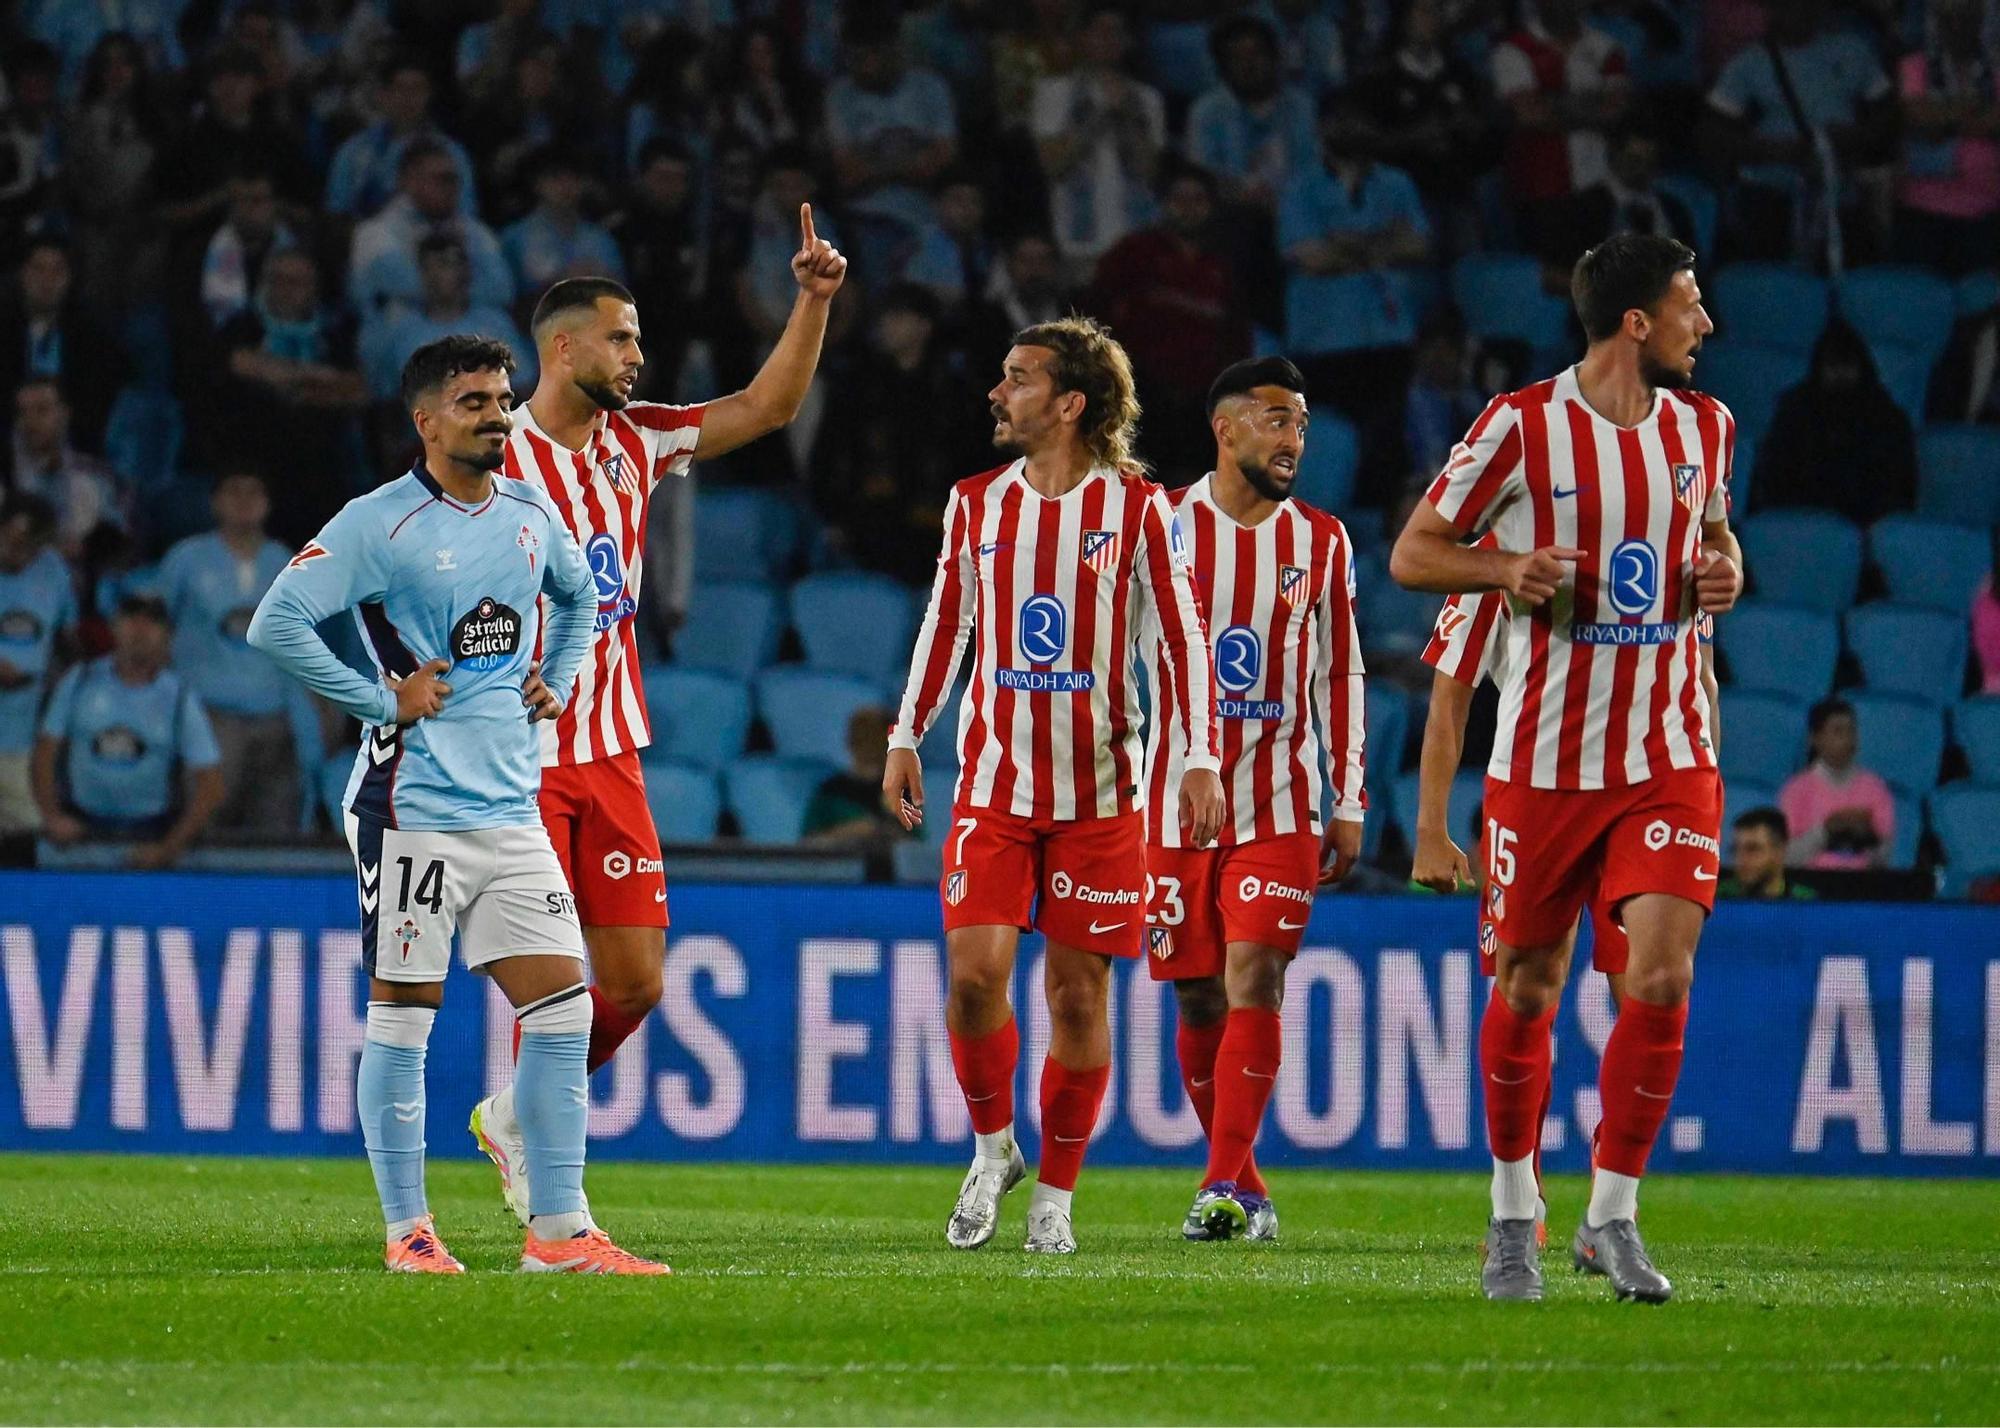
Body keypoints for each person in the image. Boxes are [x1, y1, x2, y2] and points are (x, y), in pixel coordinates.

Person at [470, 210, 848, 1236]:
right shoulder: (489, 460)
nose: (638, 357)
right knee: (554, 992)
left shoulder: (640, 441)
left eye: (637, 341)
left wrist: (811, 300)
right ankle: (561, 1211)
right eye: (622, 339)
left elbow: (767, 406)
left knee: (632, 987)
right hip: (518, 764)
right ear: (563, 348)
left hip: (612, 755)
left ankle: (509, 1116)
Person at [247, 335, 658, 1275]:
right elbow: (275, 620)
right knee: (406, 1015)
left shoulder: (528, 509)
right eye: (474, 401)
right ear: (425, 420)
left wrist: (556, 677)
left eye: (503, 398)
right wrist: (378, 698)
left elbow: (583, 597)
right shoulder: (376, 523)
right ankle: (409, 1233)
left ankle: (557, 1234)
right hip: (412, 809)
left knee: (560, 1012)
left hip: (510, 809)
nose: (498, 414)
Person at [1389, 233, 1744, 1303]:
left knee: (1662, 972)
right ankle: (1511, 1214)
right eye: (1690, 304)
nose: (1706, 323)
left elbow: (1717, 542)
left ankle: (1610, 1215)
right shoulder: (1520, 427)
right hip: (1544, 762)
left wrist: (1721, 571)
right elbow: (1412, 553)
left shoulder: (1705, 427)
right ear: (1636, 321)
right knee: (1528, 986)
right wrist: (1504, 566)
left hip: (1669, 751)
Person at [882, 316, 1225, 1255]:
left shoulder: (1141, 511)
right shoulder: (975, 504)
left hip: (1102, 804)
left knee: (1078, 1001)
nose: (998, 393)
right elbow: (945, 624)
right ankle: (995, 1148)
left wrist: (1199, 757)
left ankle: (1056, 1202)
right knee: (973, 979)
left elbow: (1186, 639)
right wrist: (909, 732)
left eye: (1018, 378)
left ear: (1071, 402)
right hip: (994, 790)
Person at [1141, 357, 1365, 1244]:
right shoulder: (1160, 526)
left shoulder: (1321, 541)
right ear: (1224, 428)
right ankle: (1248, 1184)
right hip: (1169, 806)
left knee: (1255, 978)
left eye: (1302, 425)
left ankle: (1217, 1185)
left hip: (1281, 801)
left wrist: (1347, 796)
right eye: (1276, 420)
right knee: (1198, 998)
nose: (1293, 440)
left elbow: (1341, 671)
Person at [156, 471, 319, 838]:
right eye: (233, 491)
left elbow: (304, 644)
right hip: (209, 715)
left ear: (268, 503)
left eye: (254, 491)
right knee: (205, 825)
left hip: (275, 716)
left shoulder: (288, 562)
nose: (244, 500)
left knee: (277, 829)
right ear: (215, 502)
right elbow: (158, 629)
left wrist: (314, 711)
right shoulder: (186, 558)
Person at [1089, 165, 1253, 482]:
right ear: (1162, 203)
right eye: (1179, 199)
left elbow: (1237, 334)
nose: (1188, 207)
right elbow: (1097, 315)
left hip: (1206, 400)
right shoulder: (1132, 253)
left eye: (1198, 199)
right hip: (1143, 397)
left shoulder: (1225, 261)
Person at [33, 593, 224, 865]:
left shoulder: (179, 698)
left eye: (152, 622)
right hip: (79, 836)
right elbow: (44, 754)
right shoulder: (80, 681)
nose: (140, 630)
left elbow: (211, 785)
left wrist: (167, 849)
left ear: (167, 635)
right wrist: (52, 816)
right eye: (131, 619)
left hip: (147, 835)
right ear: (114, 626)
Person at [1030, 7, 1166, 276]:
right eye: (1099, 32)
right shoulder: (1052, 93)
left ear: (1128, 41)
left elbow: (1149, 171)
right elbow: (1053, 164)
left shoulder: (1148, 99)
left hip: (1136, 236)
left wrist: (1127, 115)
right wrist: (1100, 115)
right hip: (1079, 241)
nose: (1108, 39)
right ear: (1081, 38)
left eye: (1116, 32)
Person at [1491, 0, 1632, 252]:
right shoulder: (1514, 50)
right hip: (1538, 188)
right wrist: (1590, 103)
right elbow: (1530, 115)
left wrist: (1553, 102)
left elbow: (1616, 111)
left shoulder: (1605, 48)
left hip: (1597, 184)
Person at [1753, 319, 1916, 524]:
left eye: (1847, 365)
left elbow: (1896, 488)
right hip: (1801, 520)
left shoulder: (1887, 418)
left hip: (1865, 522)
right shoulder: (1795, 412)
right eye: (1832, 365)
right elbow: (1777, 478)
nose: (1840, 375)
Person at [1895, 0, 2000, 276]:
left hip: (1984, 208)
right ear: (1937, 22)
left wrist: (1944, 116)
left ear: (1980, 22)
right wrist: (1978, 110)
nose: (1958, 26)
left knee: (1978, 305)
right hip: (1922, 207)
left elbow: (1994, 123)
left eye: (1966, 18)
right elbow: (1920, 119)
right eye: (1949, 18)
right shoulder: (1915, 66)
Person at [0, 238, 126, 450]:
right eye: (38, 269)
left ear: (69, 278)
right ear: (23, 275)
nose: (47, 280)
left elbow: (98, 400)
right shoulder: (5, 330)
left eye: (57, 270)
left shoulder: (92, 336)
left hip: (75, 446)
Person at [0, 492, 74, 840]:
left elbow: (66, 635)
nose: (19, 553)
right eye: (12, 541)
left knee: (25, 830)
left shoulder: (53, 570)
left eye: (31, 545)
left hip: (21, 728)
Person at [323, 54, 477, 220]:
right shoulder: (352, 151)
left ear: (429, 95)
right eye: (399, 88)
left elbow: (466, 213)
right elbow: (337, 211)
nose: (408, 98)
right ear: (382, 95)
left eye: (417, 89)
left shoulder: (451, 152)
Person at [9, 378, 126, 558]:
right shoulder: (8, 481)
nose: (30, 421)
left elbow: (117, 544)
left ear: (64, 414)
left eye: (42, 410)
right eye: (23, 412)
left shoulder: (96, 475)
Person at [1779, 696, 1897, 870]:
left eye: (1851, 731)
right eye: (1838, 731)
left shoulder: (1875, 788)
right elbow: (1786, 857)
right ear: (1815, 739)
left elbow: (1884, 856)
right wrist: (1826, 830)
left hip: (1864, 886)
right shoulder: (1796, 791)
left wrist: (1865, 837)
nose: (1848, 740)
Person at [803, 706, 910, 849]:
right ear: (850, 741)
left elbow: (914, 847)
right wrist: (850, 832)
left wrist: (886, 833)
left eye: (876, 737)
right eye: (863, 737)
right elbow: (807, 845)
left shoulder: (902, 792)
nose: (869, 745)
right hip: (842, 867)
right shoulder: (830, 793)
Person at [1718, 806, 1817, 897]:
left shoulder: (1808, 902)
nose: (1740, 859)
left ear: (1780, 850)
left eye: (1753, 849)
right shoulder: (1716, 898)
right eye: (1735, 850)